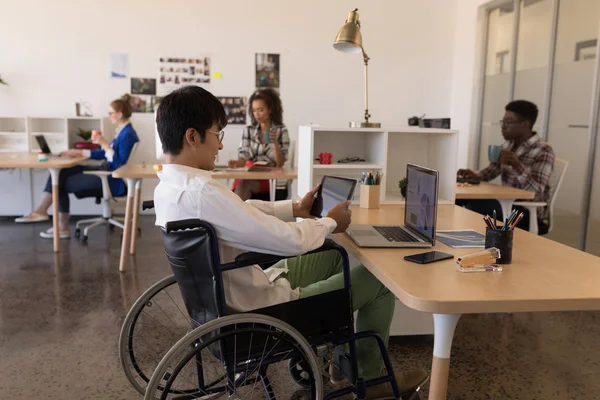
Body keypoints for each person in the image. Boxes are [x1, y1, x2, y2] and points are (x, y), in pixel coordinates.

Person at [154, 86, 428, 398]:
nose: (219, 144)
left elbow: (242, 211)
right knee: (379, 282)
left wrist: (294, 208)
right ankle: (372, 381)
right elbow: (288, 241)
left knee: (331, 256)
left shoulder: (170, 188)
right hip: (261, 312)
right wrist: (329, 222)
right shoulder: (203, 193)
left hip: (230, 301)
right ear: (192, 136)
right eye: (217, 133)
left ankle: (342, 359)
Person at [15, 94, 140, 239]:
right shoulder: (122, 131)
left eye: (111, 113)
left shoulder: (128, 134)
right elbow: (105, 154)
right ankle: (45, 213)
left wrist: (105, 144)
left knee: (59, 181)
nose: (109, 116)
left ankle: (56, 222)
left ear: (119, 114)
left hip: (111, 178)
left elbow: (119, 164)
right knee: (62, 172)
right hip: (106, 170)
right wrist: (79, 151)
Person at [457, 100, 555, 234]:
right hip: (505, 203)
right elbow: (491, 172)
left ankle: (480, 244)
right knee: (458, 198)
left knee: (477, 205)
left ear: (525, 124)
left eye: (508, 122)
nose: (503, 126)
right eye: (502, 122)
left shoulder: (543, 150)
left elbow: (536, 192)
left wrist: (517, 165)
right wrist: (475, 175)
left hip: (526, 210)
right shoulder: (507, 145)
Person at [228, 88, 290, 200]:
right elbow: (244, 155)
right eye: (254, 110)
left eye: (261, 110)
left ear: (270, 109)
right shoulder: (248, 130)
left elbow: (280, 163)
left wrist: (274, 142)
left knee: (243, 186)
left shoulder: (281, 131)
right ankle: (238, 215)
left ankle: (236, 216)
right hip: (250, 176)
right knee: (242, 184)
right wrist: (237, 162)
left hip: (272, 180)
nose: (257, 114)